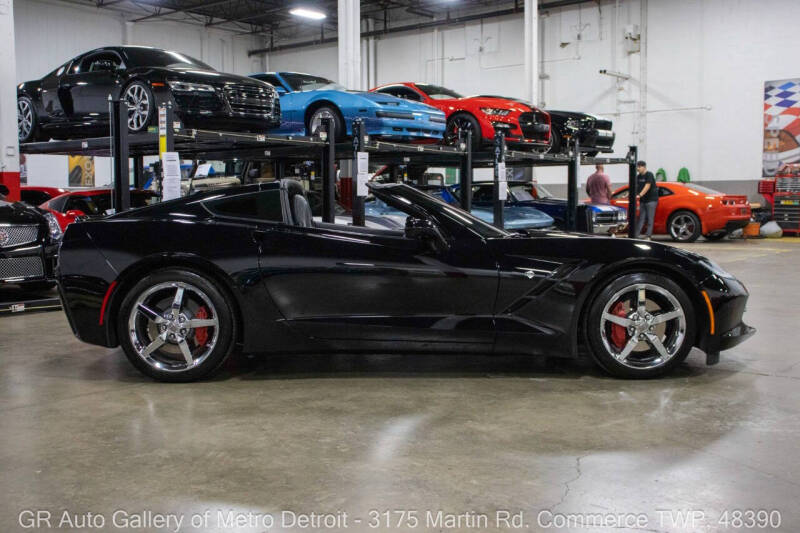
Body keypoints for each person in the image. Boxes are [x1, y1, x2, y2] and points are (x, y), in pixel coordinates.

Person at [635, 160, 659, 239]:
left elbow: (647, 186)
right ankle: (636, 235)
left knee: (650, 218)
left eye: (639, 167)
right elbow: (636, 187)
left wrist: (640, 195)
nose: (637, 168)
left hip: (651, 200)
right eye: (637, 167)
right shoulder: (638, 177)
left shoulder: (649, 175)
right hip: (643, 200)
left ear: (644, 167)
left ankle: (648, 236)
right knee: (641, 218)